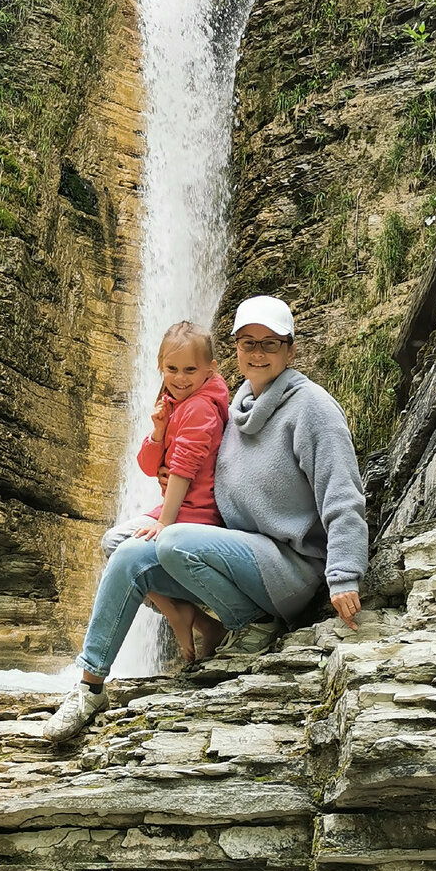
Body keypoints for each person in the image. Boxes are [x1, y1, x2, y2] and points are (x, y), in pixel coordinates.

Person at [44, 295, 368, 745]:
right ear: (234, 350)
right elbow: (198, 470)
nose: (257, 352)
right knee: (128, 551)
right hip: (236, 556)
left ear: (291, 351)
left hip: (291, 568)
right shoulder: (233, 410)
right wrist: (161, 448)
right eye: (247, 342)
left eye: (270, 343)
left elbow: (343, 492)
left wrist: (345, 574)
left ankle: (251, 622)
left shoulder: (311, 408)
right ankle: (89, 686)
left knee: (171, 539)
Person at [99, 320, 229, 664]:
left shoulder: (200, 407)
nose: (180, 377)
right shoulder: (175, 405)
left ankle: (180, 615)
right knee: (115, 545)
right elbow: (147, 466)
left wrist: (164, 522)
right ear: (160, 367)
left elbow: (183, 469)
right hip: (176, 510)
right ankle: (194, 620)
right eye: (172, 369)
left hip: (194, 515)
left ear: (210, 369)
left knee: (115, 545)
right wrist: (158, 431)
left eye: (190, 369)